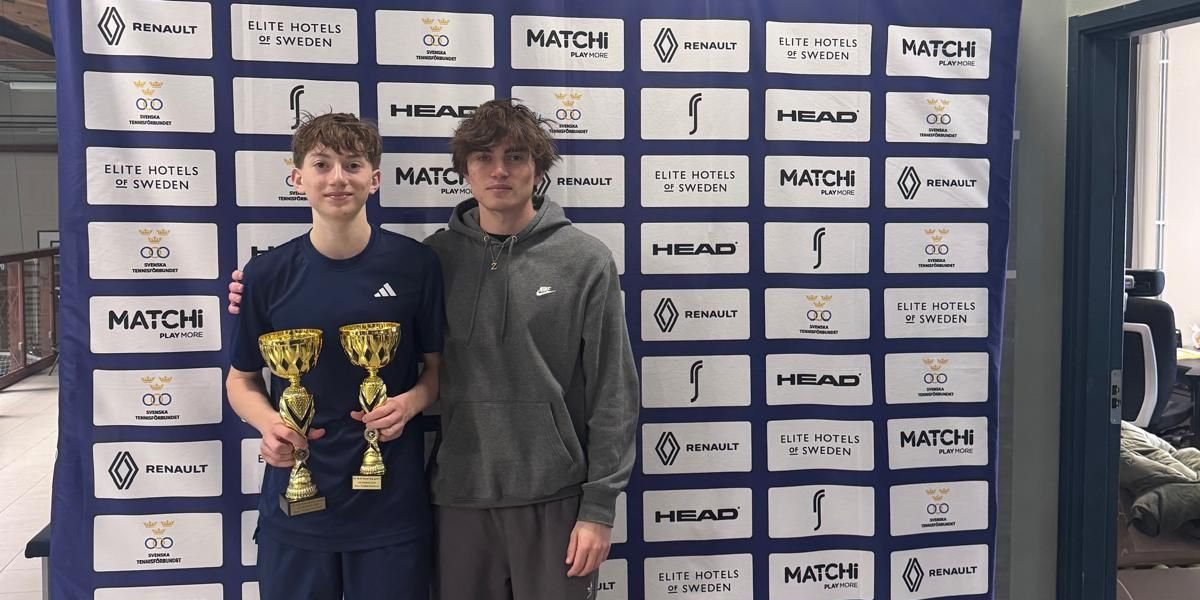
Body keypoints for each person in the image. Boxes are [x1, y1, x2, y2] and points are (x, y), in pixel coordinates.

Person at [229, 100, 639, 600]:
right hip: (454, 496)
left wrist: (599, 507)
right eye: (484, 158)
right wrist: (252, 291)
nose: (499, 171)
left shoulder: (577, 259)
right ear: (465, 171)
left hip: (550, 494)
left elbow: (613, 392)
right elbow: (249, 371)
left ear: (538, 169)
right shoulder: (436, 257)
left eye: (515, 157)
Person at [226, 112, 444, 600]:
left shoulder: (416, 265)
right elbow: (241, 380)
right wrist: (270, 425)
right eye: (322, 164)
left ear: (375, 179)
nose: (338, 178)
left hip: (390, 510)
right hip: (297, 508)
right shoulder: (265, 274)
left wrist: (409, 404)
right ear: (297, 178)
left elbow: (437, 372)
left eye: (353, 164)